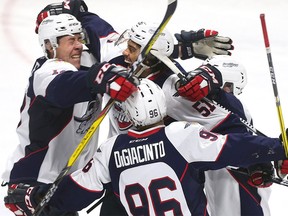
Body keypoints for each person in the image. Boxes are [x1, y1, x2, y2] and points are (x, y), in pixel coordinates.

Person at [4, 79, 288, 216]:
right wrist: (277, 149)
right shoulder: (181, 136)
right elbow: (234, 148)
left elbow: (73, 194)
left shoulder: (111, 149)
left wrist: (35, 197)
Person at [108, 21, 276, 215]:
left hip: (154, 173)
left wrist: (261, 157)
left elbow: (229, 124)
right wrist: (182, 47)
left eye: (132, 48)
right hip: (122, 171)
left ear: (149, 56)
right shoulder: (122, 66)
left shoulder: (171, 90)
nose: (125, 53)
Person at [2, 13, 138, 216]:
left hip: (61, 182)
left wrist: (83, 14)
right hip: (35, 183)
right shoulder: (45, 73)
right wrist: (101, 77)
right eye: (70, 40)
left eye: (80, 38)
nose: (78, 45)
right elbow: (63, 87)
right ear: (49, 46)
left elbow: (113, 48)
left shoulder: (84, 62)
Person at [200, 55, 273, 216]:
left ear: (227, 85)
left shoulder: (235, 109)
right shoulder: (213, 110)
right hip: (222, 192)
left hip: (243, 196)